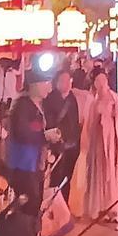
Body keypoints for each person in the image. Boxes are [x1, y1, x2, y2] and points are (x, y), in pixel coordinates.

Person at [82, 70, 118, 222]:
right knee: (99, 173)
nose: (101, 83)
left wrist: (116, 115)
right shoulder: (93, 101)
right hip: (98, 143)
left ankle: (115, 209)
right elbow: (89, 123)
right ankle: (101, 207)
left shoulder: (115, 99)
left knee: (113, 173)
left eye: (103, 80)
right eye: (98, 81)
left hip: (112, 141)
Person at [43, 67, 83, 198]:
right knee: (55, 177)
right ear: (57, 82)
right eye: (63, 80)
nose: (67, 83)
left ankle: (63, 204)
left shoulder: (73, 99)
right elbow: (49, 121)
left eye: (69, 80)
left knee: (67, 178)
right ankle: (53, 204)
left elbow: (75, 121)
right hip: (56, 145)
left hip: (71, 146)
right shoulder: (50, 99)